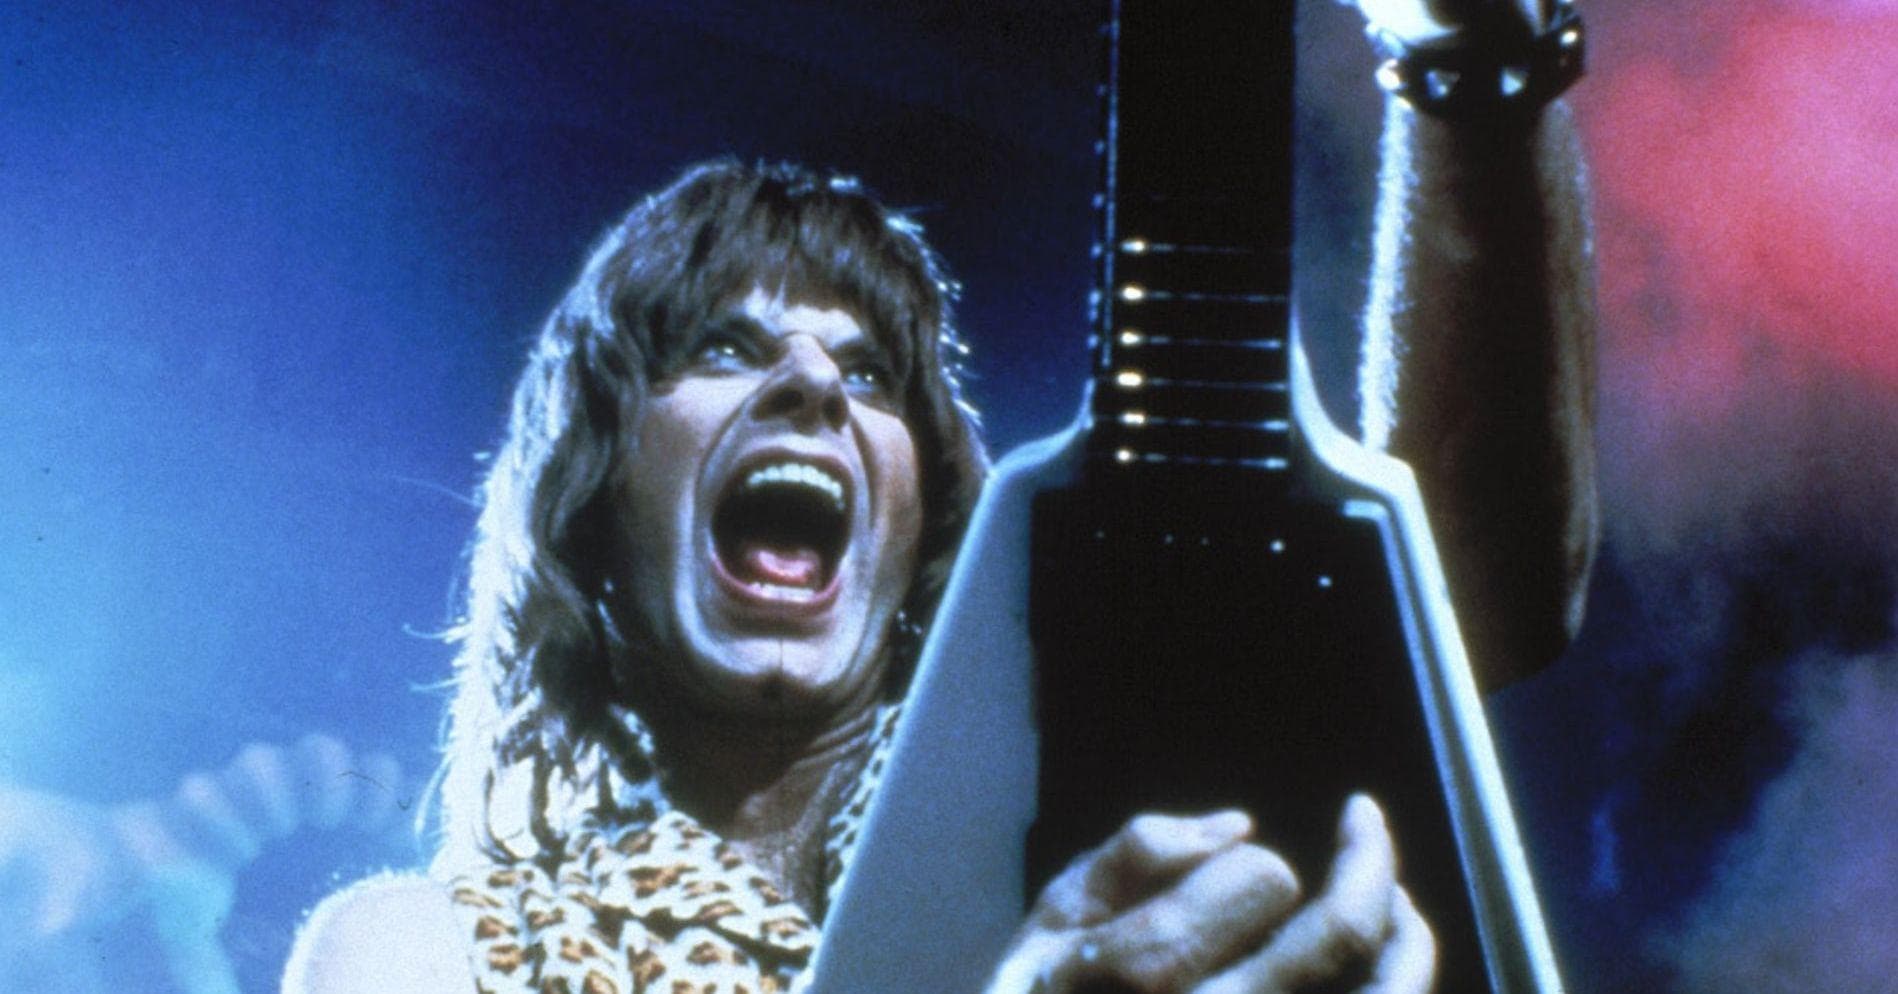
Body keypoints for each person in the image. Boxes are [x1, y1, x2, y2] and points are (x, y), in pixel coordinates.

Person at [285, 0, 1598, 989]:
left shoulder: (1071, 821)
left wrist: (1469, 59)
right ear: (593, 503)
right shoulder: (421, 949)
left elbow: (1464, 599)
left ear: (920, 532)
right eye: (724, 347)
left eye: (869, 373)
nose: (811, 382)